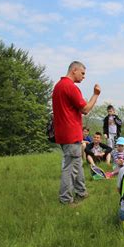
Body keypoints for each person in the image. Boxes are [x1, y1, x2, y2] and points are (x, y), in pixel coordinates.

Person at [52, 61, 101, 205]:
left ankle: (81, 192)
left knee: (77, 163)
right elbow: (85, 109)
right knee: (70, 168)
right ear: (74, 70)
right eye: (83, 73)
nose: (84, 77)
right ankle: (66, 200)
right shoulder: (70, 87)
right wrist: (95, 95)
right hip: (71, 133)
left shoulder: (58, 86)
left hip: (62, 133)